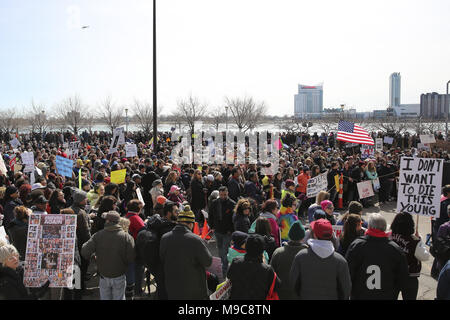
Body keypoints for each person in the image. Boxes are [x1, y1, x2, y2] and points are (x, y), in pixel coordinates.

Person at [345, 213, 409, 300]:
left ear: (369, 226)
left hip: (360, 295)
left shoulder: (357, 246)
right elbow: (403, 279)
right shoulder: (395, 249)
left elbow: (347, 274)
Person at [159, 204, 213, 299]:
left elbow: (162, 258)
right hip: (193, 289)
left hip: (173, 287)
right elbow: (208, 261)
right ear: (191, 224)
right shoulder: (195, 239)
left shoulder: (165, 238)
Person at [289, 218, 351, 300]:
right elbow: (346, 289)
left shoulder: (301, 256)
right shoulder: (341, 261)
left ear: (314, 234)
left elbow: (293, 285)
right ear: (331, 234)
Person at [81, 211, 135, 300]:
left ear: (107, 221)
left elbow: (84, 251)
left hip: (103, 275)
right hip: (119, 274)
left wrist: (95, 258)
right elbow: (131, 258)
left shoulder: (98, 235)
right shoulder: (127, 237)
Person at [227, 234, 281, 300]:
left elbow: (229, 276)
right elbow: (277, 286)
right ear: (262, 250)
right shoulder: (267, 269)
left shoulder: (236, 262)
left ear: (246, 247)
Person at [390, 212, 430, 300]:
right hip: (410, 276)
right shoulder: (414, 240)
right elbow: (425, 256)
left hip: (391, 275)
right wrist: (420, 241)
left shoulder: (388, 236)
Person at [270, 221, 307, 299]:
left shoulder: (278, 252)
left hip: (281, 294)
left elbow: (271, 275)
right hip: (300, 295)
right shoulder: (308, 254)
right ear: (303, 238)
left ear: (289, 236)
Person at [208, 186, 236, 278]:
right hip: (217, 230)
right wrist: (212, 227)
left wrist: (231, 230)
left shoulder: (232, 204)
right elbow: (211, 215)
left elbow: (233, 219)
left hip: (227, 232)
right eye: (221, 195)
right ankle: (222, 266)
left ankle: (224, 270)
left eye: (224, 194)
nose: (223, 196)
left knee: (224, 250)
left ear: (227, 193)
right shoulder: (214, 203)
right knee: (220, 249)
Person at [124, 199, 145, 299]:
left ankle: (129, 290)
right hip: (136, 248)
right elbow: (143, 231)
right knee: (137, 270)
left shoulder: (126, 216)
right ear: (138, 209)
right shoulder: (136, 218)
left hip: (127, 249)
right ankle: (137, 292)